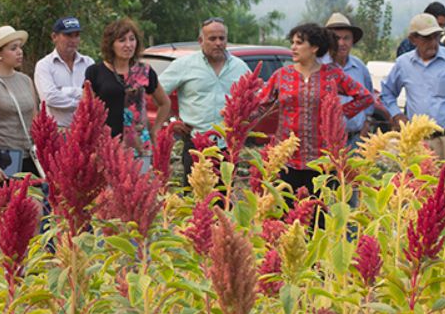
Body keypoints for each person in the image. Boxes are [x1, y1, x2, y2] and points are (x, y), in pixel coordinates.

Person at [260, 23, 374, 195]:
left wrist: (336, 114)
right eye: (292, 42)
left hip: (322, 160)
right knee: (286, 211)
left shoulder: (332, 75)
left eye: (299, 43)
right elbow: (260, 104)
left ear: (314, 47)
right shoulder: (282, 75)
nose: (293, 47)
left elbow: (364, 97)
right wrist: (238, 115)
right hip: (286, 158)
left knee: (318, 213)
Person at [158, 17, 250, 182]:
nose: (218, 43)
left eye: (222, 38)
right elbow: (156, 92)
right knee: (194, 201)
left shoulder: (240, 67)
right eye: (212, 38)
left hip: (227, 147)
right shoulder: (184, 65)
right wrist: (172, 120)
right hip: (196, 144)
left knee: (223, 200)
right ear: (201, 41)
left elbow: (254, 99)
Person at [381, 13, 445, 160]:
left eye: (436, 36)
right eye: (427, 38)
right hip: (418, 142)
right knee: (419, 181)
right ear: (413, 39)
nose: (433, 42)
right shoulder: (404, 64)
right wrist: (396, 114)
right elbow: (387, 92)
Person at [85, 18, 171, 166]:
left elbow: (165, 103)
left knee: (138, 188)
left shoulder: (145, 71)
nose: (128, 45)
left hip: (138, 147)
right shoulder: (95, 72)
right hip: (106, 147)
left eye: (132, 39)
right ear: (111, 44)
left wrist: (156, 129)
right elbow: (86, 109)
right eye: (122, 40)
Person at [0, 25, 42, 185]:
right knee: (6, 206)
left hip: (29, 154)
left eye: (20, 47)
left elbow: (36, 118)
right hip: (2, 155)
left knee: (36, 205)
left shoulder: (26, 80)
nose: (19, 52)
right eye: (13, 48)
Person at [320, 13, 375, 148]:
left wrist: (367, 122)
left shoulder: (359, 67)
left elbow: (369, 96)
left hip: (356, 138)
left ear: (352, 41)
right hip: (327, 140)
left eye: (346, 38)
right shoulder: (320, 67)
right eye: (336, 38)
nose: (341, 43)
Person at [34, 16, 95, 129]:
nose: (73, 40)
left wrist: (63, 91)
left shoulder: (89, 63)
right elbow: (50, 98)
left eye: (76, 35)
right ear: (54, 37)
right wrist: (81, 100)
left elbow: (94, 95)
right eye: (68, 35)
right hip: (56, 131)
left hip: (85, 130)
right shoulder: (44, 65)